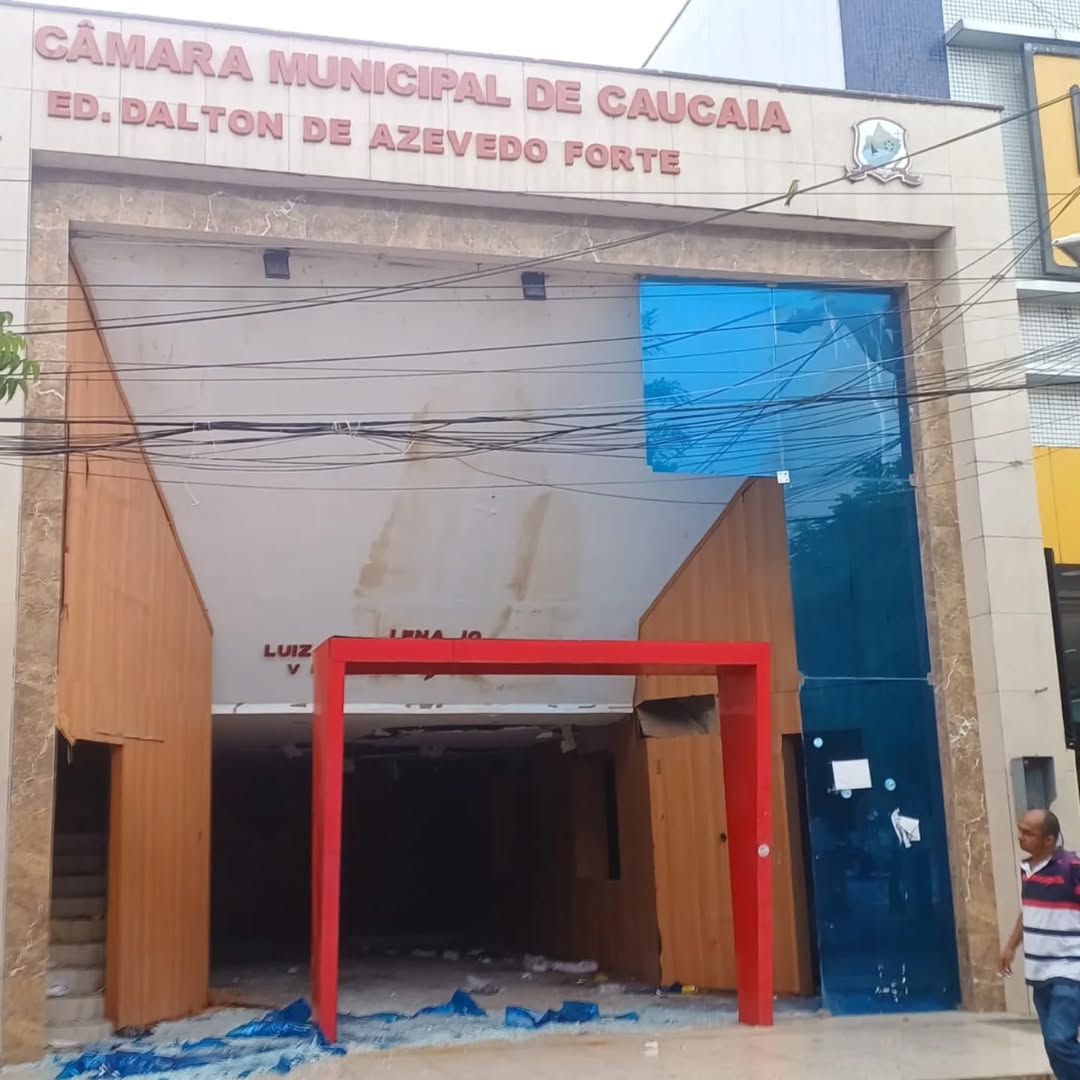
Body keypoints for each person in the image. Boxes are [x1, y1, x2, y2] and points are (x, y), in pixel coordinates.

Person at [999, 809, 1080, 1079]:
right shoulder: (1027, 870)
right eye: (1020, 830)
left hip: (1069, 971)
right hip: (1038, 973)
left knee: (1059, 1041)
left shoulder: (1071, 867)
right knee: (1054, 1047)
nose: (1020, 836)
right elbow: (1029, 911)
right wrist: (1011, 946)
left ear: (1049, 840)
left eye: (1028, 833)